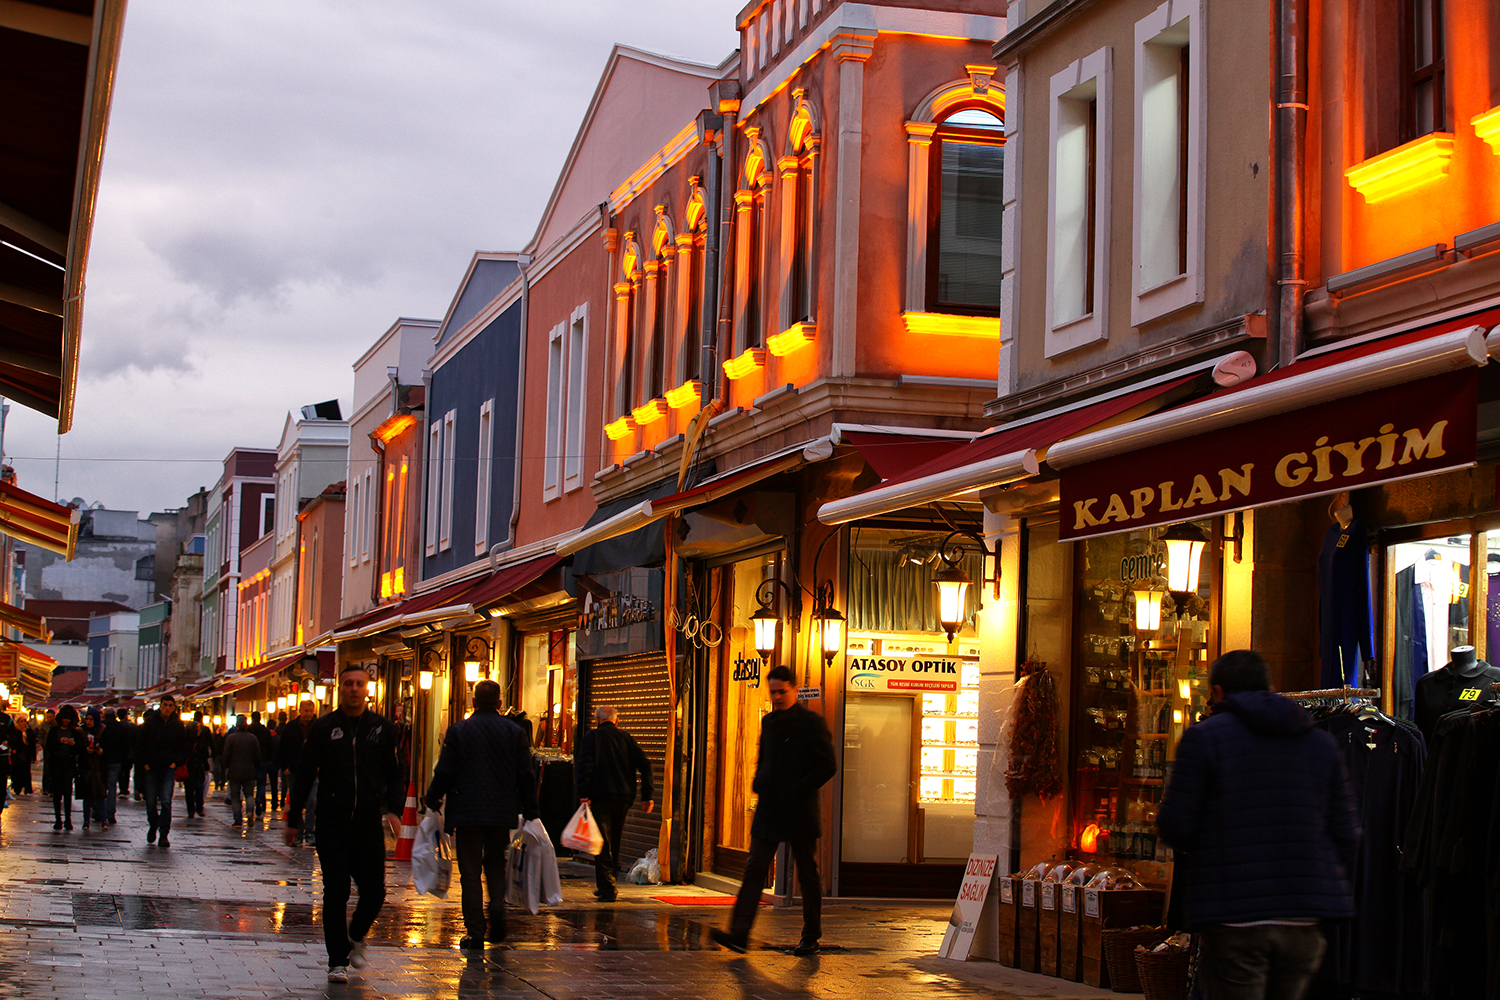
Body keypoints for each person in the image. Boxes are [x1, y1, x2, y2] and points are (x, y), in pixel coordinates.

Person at [1157, 649, 1360, 1000]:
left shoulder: (1205, 739)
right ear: (1271, 687)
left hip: (1234, 912)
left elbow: (1176, 824)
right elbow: (1346, 831)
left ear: (1218, 691)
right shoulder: (1319, 742)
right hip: (1303, 915)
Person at [286, 666, 404, 983]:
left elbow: (396, 772)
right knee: (336, 891)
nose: (354, 689)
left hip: (367, 820)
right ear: (340, 689)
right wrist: (294, 819)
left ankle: (357, 934)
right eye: (348, 684)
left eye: (359, 684)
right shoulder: (324, 728)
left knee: (374, 891)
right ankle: (337, 960)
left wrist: (394, 810)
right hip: (332, 820)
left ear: (367, 689)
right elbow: (305, 774)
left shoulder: (381, 728)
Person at [710, 666, 837, 957]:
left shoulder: (812, 723)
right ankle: (739, 933)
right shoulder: (768, 721)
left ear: (795, 690)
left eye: (782, 691)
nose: (777, 697)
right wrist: (759, 780)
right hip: (769, 807)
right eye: (773, 692)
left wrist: (798, 788)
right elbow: (764, 757)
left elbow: (827, 765)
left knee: (807, 873)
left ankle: (811, 936)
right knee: (755, 868)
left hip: (799, 808)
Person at [425, 679, 539, 950]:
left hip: (466, 812)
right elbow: (526, 774)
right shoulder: (514, 732)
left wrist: (432, 799)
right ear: (499, 703)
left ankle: (475, 930)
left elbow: (445, 770)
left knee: (470, 871)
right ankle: (497, 906)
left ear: (474, 702)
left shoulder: (459, 730)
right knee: (496, 863)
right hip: (501, 811)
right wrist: (531, 809)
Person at [573, 705, 655, 903]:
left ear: (597, 720)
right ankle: (607, 883)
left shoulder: (591, 738)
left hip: (600, 796)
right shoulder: (627, 739)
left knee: (601, 841)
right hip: (624, 797)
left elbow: (584, 766)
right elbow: (645, 764)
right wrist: (647, 795)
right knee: (615, 839)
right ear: (617, 721)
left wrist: (583, 793)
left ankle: (608, 886)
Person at [137, 695, 188, 847]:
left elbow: (183, 746)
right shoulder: (150, 723)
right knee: (151, 801)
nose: (167, 708)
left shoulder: (177, 725)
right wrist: (145, 763)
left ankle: (164, 834)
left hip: (168, 768)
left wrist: (176, 763)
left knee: (166, 800)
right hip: (152, 767)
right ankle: (153, 824)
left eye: (170, 705)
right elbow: (140, 744)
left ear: (174, 708)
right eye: (165, 705)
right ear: (160, 706)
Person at [278, 699, 318, 844]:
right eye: (306, 711)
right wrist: (285, 767)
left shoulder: (317, 727)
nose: (308, 714)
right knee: (296, 802)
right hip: (294, 770)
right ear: (300, 711)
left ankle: (310, 831)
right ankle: (299, 832)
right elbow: (282, 748)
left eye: (311, 711)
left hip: (313, 770)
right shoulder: (291, 727)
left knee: (312, 801)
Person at [45, 706, 80, 831]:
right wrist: (59, 742)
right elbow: (49, 747)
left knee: (67, 792)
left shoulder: (74, 732)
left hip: (68, 764)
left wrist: (73, 745)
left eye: (68, 718)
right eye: (65, 718)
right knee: (57, 793)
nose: (66, 721)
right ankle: (58, 819)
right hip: (56, 764)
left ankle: (68, 819)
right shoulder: (54, 731)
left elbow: (79, 749)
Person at [222, 715, 261, 826]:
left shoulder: (231, 738)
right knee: (249, 794)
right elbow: (257, 756)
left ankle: (238, 819)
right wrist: (255, 766)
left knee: (235, 796)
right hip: (249, 770)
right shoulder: (253, 738)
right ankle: (250, 811)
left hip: (234, 770)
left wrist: (227, 766)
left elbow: (226, 755)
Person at [76, 710, 106, 830]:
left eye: (91, 719)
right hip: (86, 767)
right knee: (87, 795)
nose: (88, 722)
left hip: (99, 768)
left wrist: (101, 751)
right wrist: (85, 750)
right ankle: (86, 821)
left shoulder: (102, 730)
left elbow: (108, 746)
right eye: (87, 719)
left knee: (101, 795)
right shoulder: (80, 731)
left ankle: (103, 820)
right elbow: (77, 748)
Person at [100, 709, 131, 824]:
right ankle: (110, 813)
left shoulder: (101, 726)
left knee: (101, 786)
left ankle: (99, 811)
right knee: (112, 787)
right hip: (116, 760)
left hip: (103, 759)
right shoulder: (121, 727)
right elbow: (126, 745)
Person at [183, 713, 212, 818]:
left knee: (199, 787)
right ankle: (191, 809)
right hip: (189, 768)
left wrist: (206, 767)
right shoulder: (186, 742)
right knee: (190, 789)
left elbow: (204, 754)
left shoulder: (200, 741)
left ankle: (199, 808)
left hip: (198, 767)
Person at [248, 711, 273, 816]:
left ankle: (250, 803)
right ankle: (260, 799)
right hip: (263, 759)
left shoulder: (248, 730)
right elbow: (270, 746)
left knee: (249, 784)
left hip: (250, 760)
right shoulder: (265, 731)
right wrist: (269, 759)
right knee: (261, 783)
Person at [12, 718, 36, 796]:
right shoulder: (15, 731)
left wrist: (34, 757)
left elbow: (32, 743)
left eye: (24, 721)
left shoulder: (29, 732)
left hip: (26, 754)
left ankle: (27, 788)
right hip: (17, 754)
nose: (23, 723)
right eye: (21, 721)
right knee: (17, 771)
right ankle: (17, 788)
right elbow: (13, 741)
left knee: (26, 771)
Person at [38, 708, 55, 796]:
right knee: (46, 768)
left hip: (55, 749)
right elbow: (40, 735)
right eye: (47, 717)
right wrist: (40, 744)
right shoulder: (44, 725)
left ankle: (52, 789)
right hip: (47, 748)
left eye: (50, 717)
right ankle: (45, 788)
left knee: (53, 769)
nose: (48, 719)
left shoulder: (56, 725)